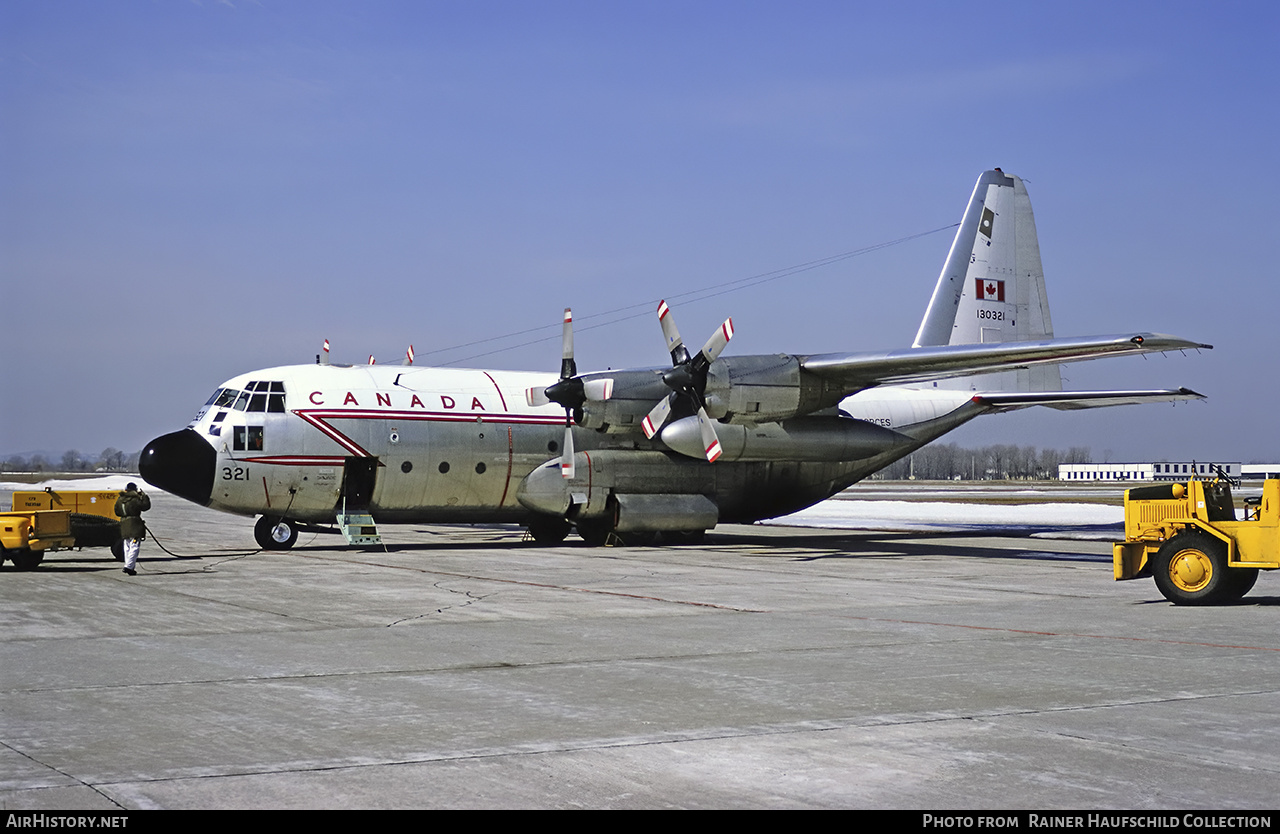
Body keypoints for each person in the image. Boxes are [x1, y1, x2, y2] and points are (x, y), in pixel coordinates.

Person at [114, 483, 151, 576]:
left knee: (127, 547)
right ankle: (129, 567)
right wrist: (144, 496)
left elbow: (117, 512)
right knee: (134, 546)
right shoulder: (135, 500)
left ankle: (129, 565)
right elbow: (145, 506)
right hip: (134, 525)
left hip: (124, 524)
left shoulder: (120, 500)